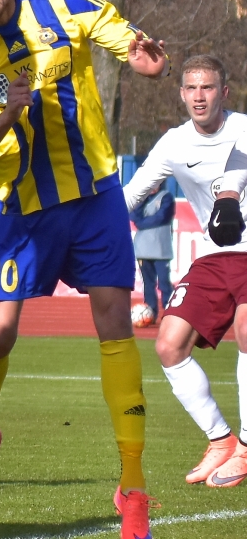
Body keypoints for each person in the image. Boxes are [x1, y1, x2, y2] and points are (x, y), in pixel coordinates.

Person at [0, 0, 169, 539]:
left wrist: (144, 58)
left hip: (94, 195)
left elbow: (123, 36)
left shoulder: (60, 3)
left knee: (115, 324)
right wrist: (8, 114)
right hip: (22, 206)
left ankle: (133, 486)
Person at [123, 54, 247, 488]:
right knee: (169, 344)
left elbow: (237, 168)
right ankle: (221, 440)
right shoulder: (174, 143)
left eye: (207, 87)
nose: (199, 96)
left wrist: (228, 198)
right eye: (191, 88)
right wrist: (86, 228)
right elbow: (133, 193)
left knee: (246, 331)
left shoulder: (243, 128)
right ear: (181, 94)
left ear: (223, 92)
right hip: (215, 257)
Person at [128, 183, 174, 326]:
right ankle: (151, 312)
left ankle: (170, 313)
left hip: (161, 248)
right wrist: (143, 200)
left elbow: (161, 217)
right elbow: (134, 215)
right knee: (148, 283)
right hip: (143, 248)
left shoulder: (166, 197)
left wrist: (142, 223)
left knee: (164, 283)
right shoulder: (141, 198)